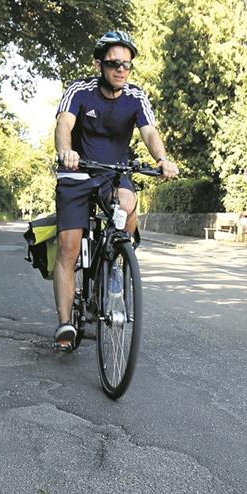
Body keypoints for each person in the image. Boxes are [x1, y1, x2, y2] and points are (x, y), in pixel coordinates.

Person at [52, 30, 179, 350]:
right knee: (69, 247)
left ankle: (116, 264)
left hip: (115, 173)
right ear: (99, 64)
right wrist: (67, 152)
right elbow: (64, 125)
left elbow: (150, 132)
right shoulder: (79, 90)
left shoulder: (136, 97)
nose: (121, 70)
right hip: (77, 173)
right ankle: (66, 324)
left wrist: (163, 159)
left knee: (129, 204)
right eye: (113, 64)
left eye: (127, 64)